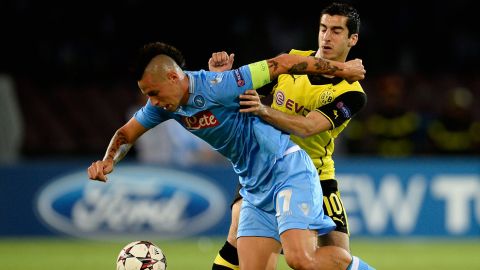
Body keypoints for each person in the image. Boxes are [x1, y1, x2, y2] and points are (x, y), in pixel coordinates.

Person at [87, 41, 372, 270]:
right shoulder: (163, 106)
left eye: (154, 92)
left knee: (302, 260)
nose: (153, 102)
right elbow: (126, 133)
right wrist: (108, 160)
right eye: (147, 95)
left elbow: (283, 63)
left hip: (286, 170)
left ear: (174, 77)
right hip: (254, 188)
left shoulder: (218, 85)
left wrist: (342, 70)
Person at [210, 2, 368, 269]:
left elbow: (306, 127)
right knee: (238, 231)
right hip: (266, 167)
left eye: (337, 31)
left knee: (338, 257)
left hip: (316, 175)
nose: (327, 37)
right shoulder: (294, 61)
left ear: (353, 39)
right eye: (323, 28)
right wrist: (223, 82)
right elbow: (247, 96)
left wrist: (263, 111)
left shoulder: (351, 92)